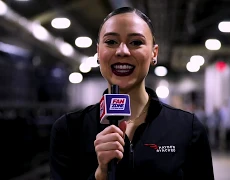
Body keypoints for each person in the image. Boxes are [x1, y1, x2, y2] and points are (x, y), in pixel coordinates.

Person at [50, 7, 214, 180]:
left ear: (154, 54)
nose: (122, 51)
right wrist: (100, 175)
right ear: (98, 52)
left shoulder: (188, 128)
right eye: (111, 42)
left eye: (136, 42)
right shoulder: (68, 129)